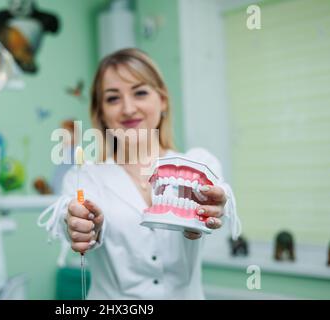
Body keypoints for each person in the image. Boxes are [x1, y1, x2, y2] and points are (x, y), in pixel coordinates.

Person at [39, 48, 241, 299]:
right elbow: (70, 215)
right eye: (113, 98)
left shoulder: (200, 164)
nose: (128, 108)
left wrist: (206, 214)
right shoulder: (84, 178)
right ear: (100, 112)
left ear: (163, 100)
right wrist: (80, 224)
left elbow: (214, 210)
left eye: (140, 92)